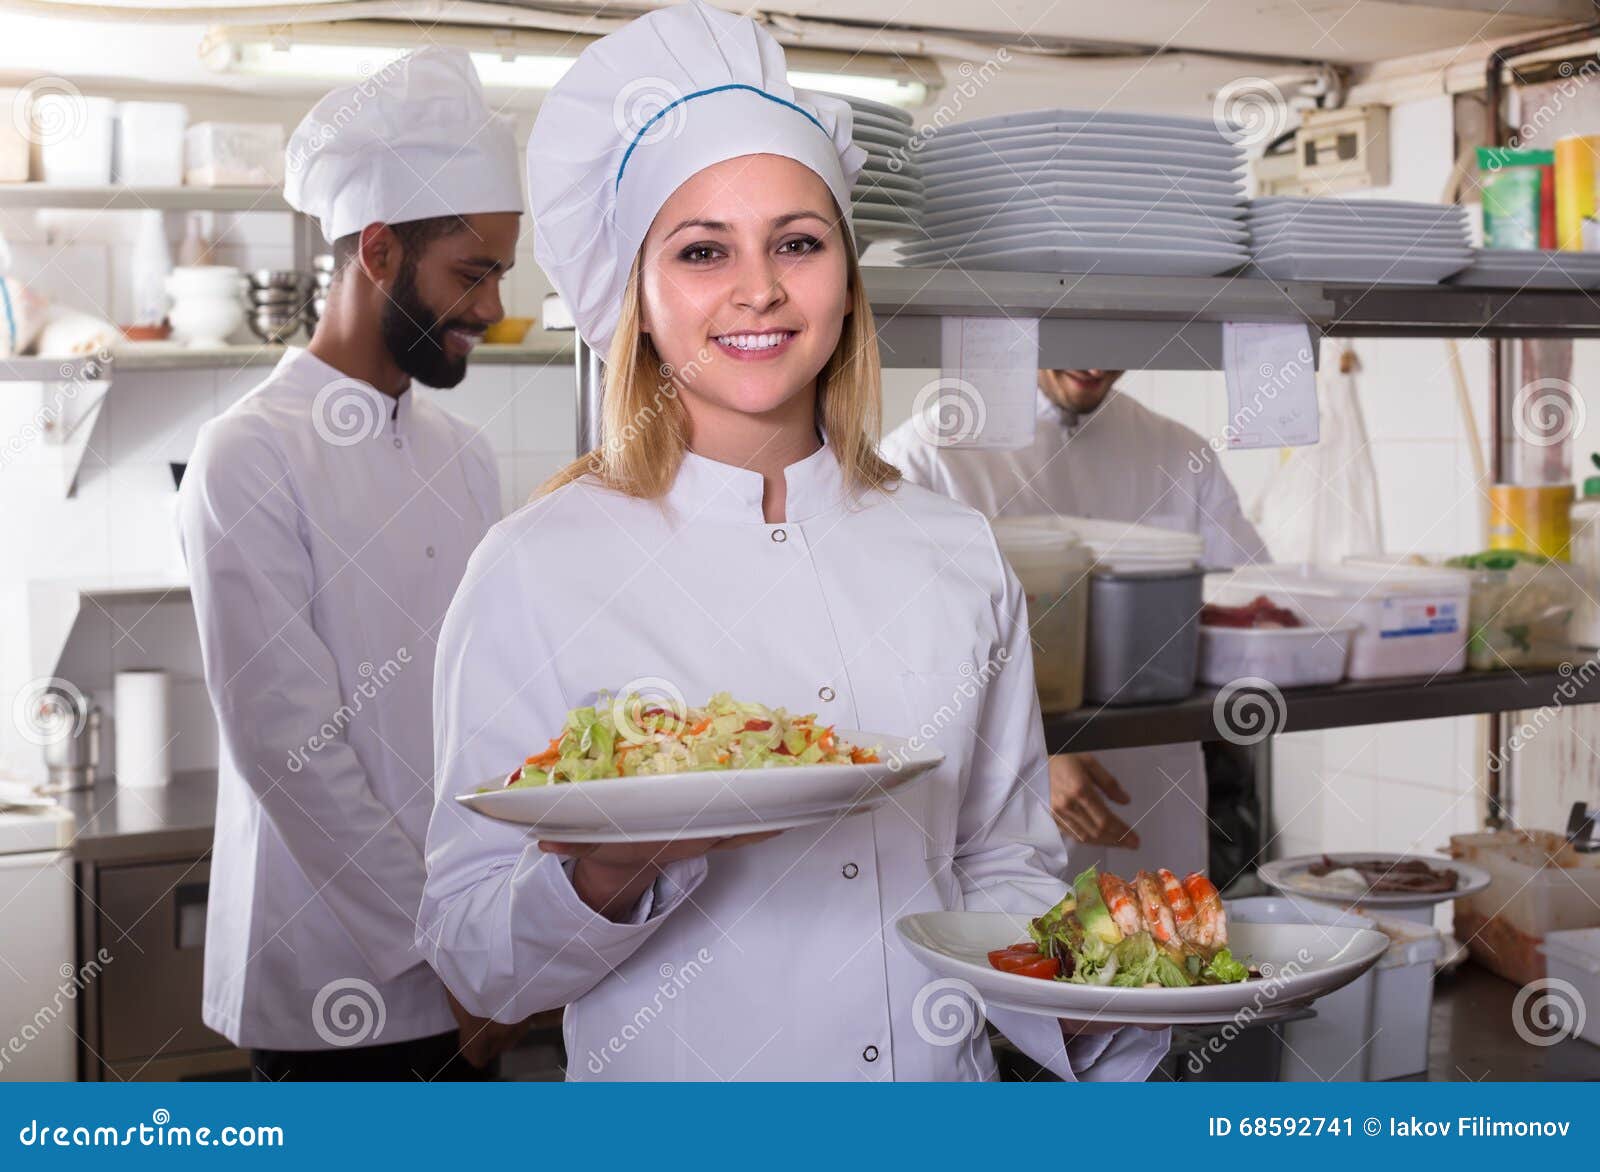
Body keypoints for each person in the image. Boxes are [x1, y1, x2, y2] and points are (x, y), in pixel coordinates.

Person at [416, 0, 1169, 1082]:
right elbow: (476, 960)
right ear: (636, 294)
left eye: (797, 243)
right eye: (701, 249)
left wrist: (1112, 1020)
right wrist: (607, 872)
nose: (758, 287)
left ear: (846, 279)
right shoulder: (539, 566)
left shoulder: (952, 549)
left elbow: (999, 865)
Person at [178, 47, 527, 1081]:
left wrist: (492, 940)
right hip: (331, 984)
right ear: (377, 249)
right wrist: (443, 955)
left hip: (472, 959)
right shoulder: (247, 452)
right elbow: (286, 743)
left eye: (501, 273)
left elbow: (489, 703)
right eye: (473, 272)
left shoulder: (462, 453)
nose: (492, 306)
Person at [881, 367, 1267, 879]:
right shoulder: (922, 456)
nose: (1092, 364)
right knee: (1027, 952)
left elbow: (1247, 603)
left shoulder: (1178, 451)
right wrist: (1036, 753)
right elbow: (897, 661)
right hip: (1002, 816)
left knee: (1168, 952)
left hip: (1153, 795)